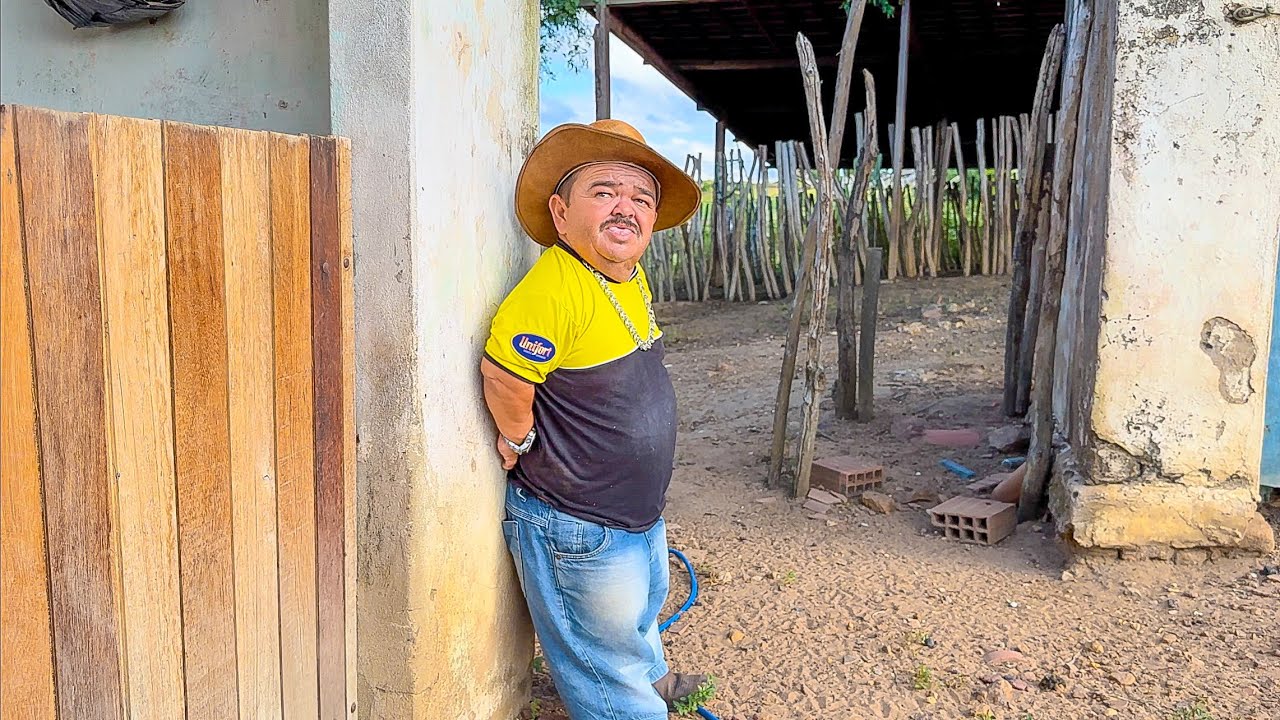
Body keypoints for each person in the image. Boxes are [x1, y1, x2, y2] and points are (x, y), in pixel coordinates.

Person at [480, 119, 712, 719]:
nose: (625, 208)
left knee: (639, 608)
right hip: (577, 525)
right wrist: (519, 436)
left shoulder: (625, 278)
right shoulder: (552, 288)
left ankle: (651, 680)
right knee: (600, 660)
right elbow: (506, 377)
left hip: (632, 516)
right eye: (604, 191)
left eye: (641, 198)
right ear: (561, 214)